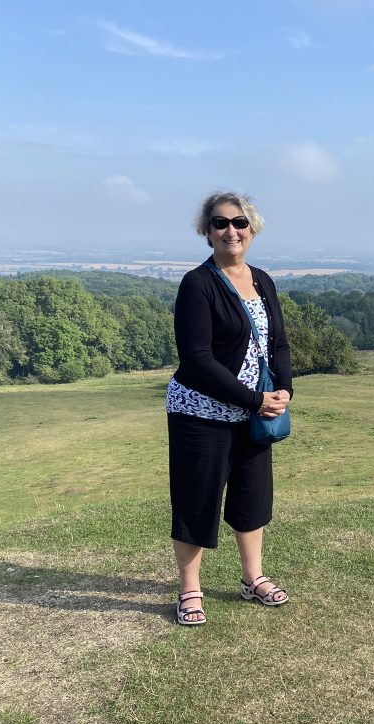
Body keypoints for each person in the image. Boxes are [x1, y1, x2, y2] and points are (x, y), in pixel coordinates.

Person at [166, 191, 293, 625]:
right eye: (220, 223)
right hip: (200, 414)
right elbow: (198, 360)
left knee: (251, 498)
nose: (230, 231)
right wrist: (256, 400)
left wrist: (285, 391)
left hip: (253, 414)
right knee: (196, 500)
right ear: (207, 232)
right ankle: (189, 591)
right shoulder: (197, 284)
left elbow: (277, 343)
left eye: (239, 222)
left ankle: (252, 578)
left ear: (251, 228)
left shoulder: (262, 279)